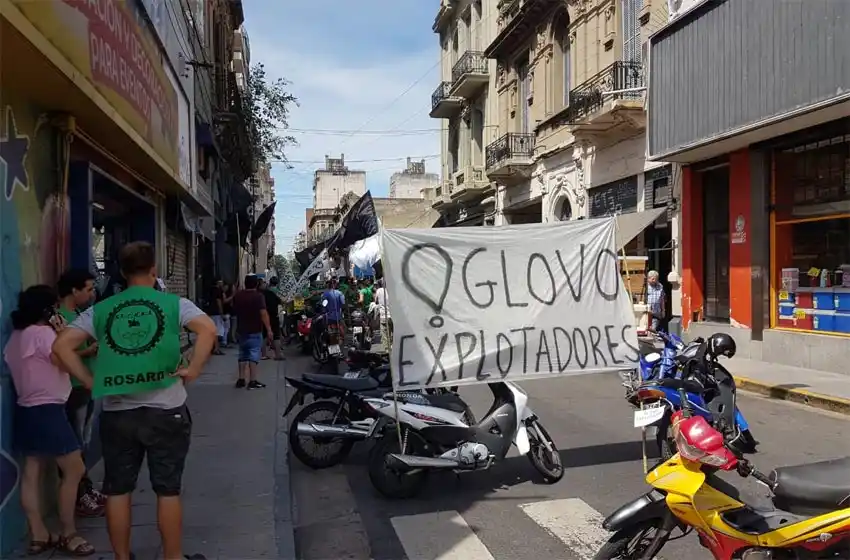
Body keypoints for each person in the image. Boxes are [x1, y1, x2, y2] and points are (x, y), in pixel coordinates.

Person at [53, 241, 217, 560]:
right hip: (167, 411)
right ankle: (172, 557)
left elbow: (60, 347)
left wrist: (89, 380)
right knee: (167, 491)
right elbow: (208, 329)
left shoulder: (101, 309)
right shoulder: (173, 304)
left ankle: (122, 557)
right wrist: (194, 368)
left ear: (123, 273)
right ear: (153, 270)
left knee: (118, 490)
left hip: (118, 414)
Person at [6, 285, 95, 556]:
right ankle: (69, 533)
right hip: (48, 409)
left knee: (31, 472)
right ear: (47, 309)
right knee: (74, 469)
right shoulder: (44, 334)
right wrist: (61, 333)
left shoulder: (16, 337)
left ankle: (38, 533)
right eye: (54, 306)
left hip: (26, 409)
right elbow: (62, 360)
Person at [56, 268, 105, 518]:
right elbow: (58, 354)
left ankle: (85, 488)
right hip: (73, 387)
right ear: (73, 291)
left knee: (84, 440)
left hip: (87, 385)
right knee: (75, 444)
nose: (92, 293)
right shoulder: (60, 318)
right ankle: (79, 495)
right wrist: (89, 350)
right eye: (87, 289)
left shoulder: (78, 314)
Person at [232, 274, 274, 389]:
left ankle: (241, 379)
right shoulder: (258, 296)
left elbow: (235, 311)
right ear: (256, 284)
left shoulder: (238, 296)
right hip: (255, 329)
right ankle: (252, 380)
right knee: (253, 354)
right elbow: (263, 313)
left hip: (241, 330)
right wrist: (269, 329)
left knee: (242, 354)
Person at [261, 277, 285, 360]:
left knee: (263, 335)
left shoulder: (262, 294)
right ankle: (277, 354)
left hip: (264, 316)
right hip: (274, 315)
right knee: (276, 335)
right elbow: (282, 301)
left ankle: (263, 354)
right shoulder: (277, 292)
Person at [207, 280, 226, 355]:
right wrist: (221, 312)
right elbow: (219, 301)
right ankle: (216, 348)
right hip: (216, 313)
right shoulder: (218, 291)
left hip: (210, 312)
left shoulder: (210, 290)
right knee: (217, 331)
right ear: (218, 283)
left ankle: (211, 347)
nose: (223, 284)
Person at [373, 278, 392, 346]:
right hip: (393, 316)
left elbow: (375, 301)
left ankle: (388, 350)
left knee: (385, 336)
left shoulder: (379, 290)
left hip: (384, 316)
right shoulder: (393, 289)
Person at [221, 282, 234, 347]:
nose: (226, 288)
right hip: (225, 313)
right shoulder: (222, 293)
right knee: (226, 328)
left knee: (226, 328)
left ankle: (224, 341)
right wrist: (232, 297)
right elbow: (225, 301)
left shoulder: (224, 293)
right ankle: (224, 341)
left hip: (226, 313)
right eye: (225, 286)